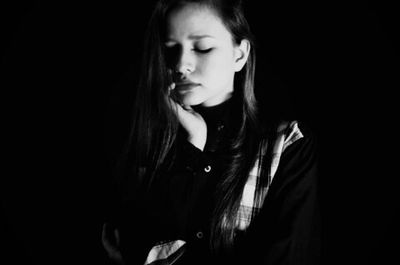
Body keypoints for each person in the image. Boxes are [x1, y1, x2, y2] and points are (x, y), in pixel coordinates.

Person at [102, 0, 321, 264]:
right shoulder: (144, 140)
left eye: (203, 48)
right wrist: (193, 146)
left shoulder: (286, 144)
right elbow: (128, 249)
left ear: (239, 55)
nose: (182, 64)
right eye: (170, 49)